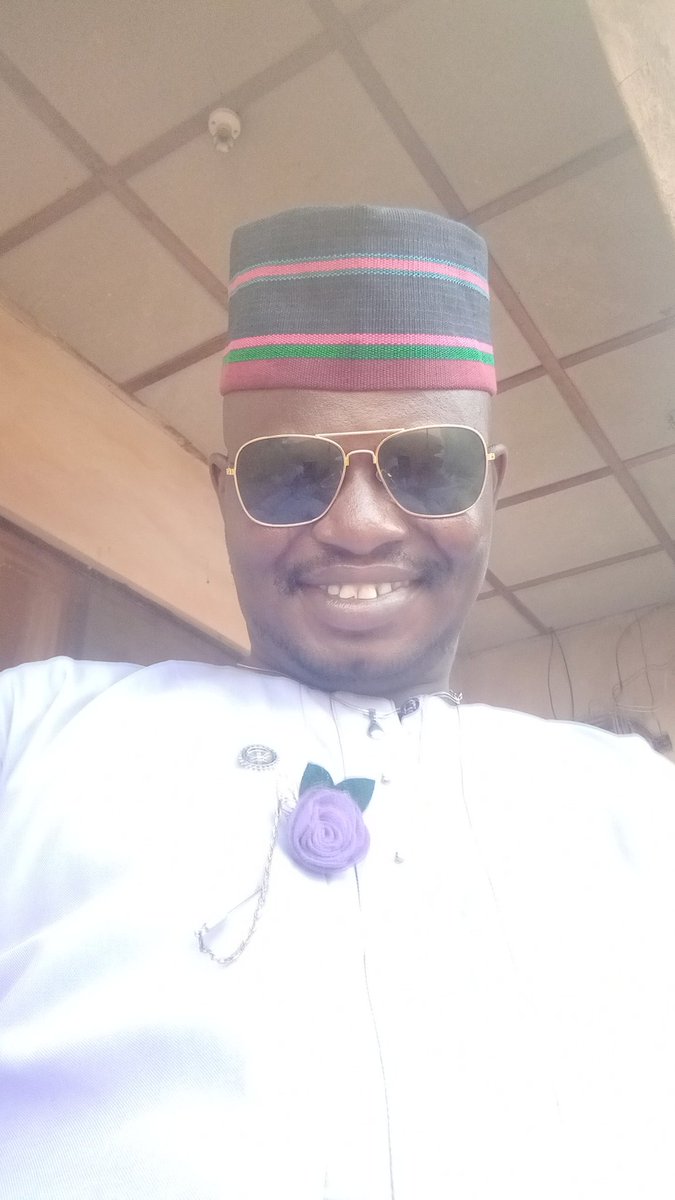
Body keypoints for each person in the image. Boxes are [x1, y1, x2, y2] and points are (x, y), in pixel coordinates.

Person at [0, 205, 673, 1200]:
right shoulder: (35, 736)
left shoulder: (635, 803)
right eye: (291, 474)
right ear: (225, 495)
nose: (359, 525)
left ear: (491, 489)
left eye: (427, 466)